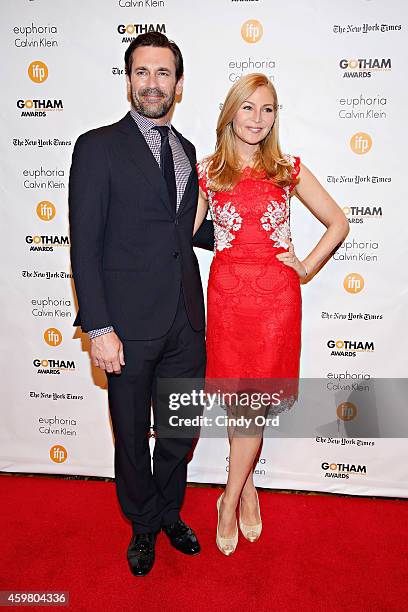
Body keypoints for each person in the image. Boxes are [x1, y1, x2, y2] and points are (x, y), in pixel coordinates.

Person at [69, 32, 213, 577]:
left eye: (164, 74)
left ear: (178, 83)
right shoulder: (97, 146)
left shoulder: (187, 151)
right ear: (128, 79)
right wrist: (98, 324)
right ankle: (144, 522)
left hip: (184, 319)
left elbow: (185, 231)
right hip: (125, 324)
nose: (153, 84)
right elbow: (85, 243)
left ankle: (169, 510)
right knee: (130, 434)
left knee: (179, 429)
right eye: (142, 72)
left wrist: (249, 232)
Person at [194, 73, 349, 555]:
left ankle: (228, 497)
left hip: (275, 303)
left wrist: (304, 266)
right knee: (241, 405)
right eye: (249, 108)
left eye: (268, 109)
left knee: (252, 405)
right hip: (226, 300)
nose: (258, 119)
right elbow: (179, 236)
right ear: (230, 112)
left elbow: (338, 221)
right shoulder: (207, 172)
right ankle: (247, 489)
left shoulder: (286, 168)